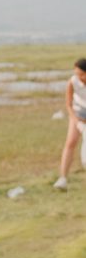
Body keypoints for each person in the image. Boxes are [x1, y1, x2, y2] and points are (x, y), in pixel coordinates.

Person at [53, 58, 86, 191]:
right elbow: (68, 104)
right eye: (77, 73)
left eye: (81, 74)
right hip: (78, 113)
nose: (79, 77)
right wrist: (76, 119)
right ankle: (63, 178)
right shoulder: (72, 82)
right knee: (71, 142)